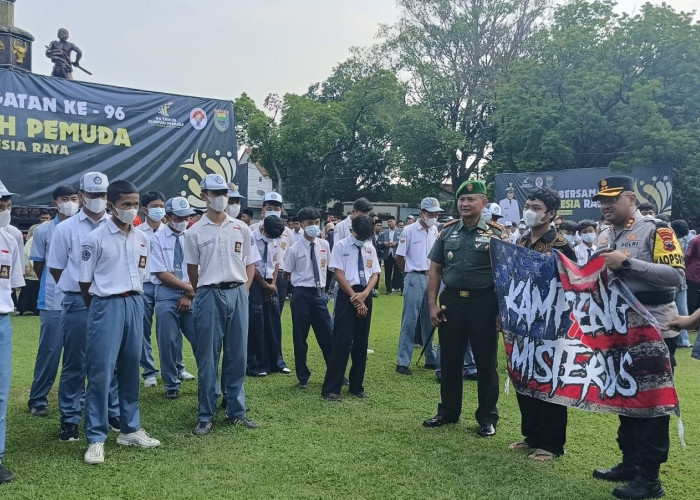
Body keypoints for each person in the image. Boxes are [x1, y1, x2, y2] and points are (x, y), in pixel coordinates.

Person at [591, 176, 684, 499]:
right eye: (601, 200)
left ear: (631, 198)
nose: (605, 205)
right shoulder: (604, 234)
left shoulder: (657, 230)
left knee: (651, 404)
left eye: (611, 199)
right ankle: (629, 462)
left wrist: (627, 263)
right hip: (618, 327)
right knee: (626, 396)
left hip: (654, 327)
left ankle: (650, 478)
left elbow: (676, 277)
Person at [79, 180, 161, 465]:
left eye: (135, 204)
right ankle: (96, 437)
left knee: (130, 368)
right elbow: (84, 281)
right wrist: (101, 309)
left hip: (135, 303)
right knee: (101, 373)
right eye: (126, 205)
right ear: (111, 206)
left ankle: (130, 428)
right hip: (106, 304)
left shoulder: (142, 238)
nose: (132, 209)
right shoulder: (95, 238)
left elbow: (143, 275)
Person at [422, 180, 501, 438]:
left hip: (484, 303)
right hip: (452, 302)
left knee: (485, 361)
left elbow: (505, 275)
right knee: (450, 359)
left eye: (471, 199)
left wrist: (502, 312)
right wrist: (432, 305)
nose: (465, 204)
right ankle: (448, 411)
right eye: (461, 200)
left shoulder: (496, 234)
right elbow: (435, 270)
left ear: (483, 203)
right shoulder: (447, 232)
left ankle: (487, 417)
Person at [47, 172, 120, 443]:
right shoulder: (65, 229)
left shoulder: (117, 226)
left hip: (109, 300)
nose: (98, 200)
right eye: (92, 195)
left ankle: (111, 412)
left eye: (102, 195)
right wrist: (77, 289)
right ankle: (69, 419)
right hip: (78, 301)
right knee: (75, 363)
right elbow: (56, 268)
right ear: (81, 195)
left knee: (108, 361)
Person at [185, 174, 260, 436]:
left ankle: (236, 411)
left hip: (237, 292)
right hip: (209, 294)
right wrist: (202, 288)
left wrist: (245, 289)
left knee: (237, 354)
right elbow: (192, 270)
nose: (220, 198)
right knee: (208, 356)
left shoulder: (241, 228)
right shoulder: (194, 231)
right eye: (215, 192)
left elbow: (250, 262)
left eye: (224, 193)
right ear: (204, 195)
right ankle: (205, 415)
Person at [509, 187, 577, 460]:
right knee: (525, 378)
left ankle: (551, 444)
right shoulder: (523, 240)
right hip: (523, 321)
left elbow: (568, 285)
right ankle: (532, 435)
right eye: (527, 205)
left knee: (549, 382)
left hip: (550, 323)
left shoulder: (561, 245)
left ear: (550, 214)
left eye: (535, 207)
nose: (529, 211)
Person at [27, 184, 80, 417]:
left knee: (78, 352)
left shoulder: (86, 227)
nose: (70, 202)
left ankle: (78, 397)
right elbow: (39, 263)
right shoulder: (44, 230)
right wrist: (52, 283)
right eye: (65, 198)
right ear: (54, 202)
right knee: (49, 351)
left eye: (74, 198)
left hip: (81, 299)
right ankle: (38, 399)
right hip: (52, 299)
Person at [322, 215, 380, 401]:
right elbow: (338, 274)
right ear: (351, 230)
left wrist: (364, 295)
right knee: (342, 341)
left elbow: (375, 275)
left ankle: (357, 386)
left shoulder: (369, 247)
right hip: (347, 295)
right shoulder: (340, 246)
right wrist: (356, 298)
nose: (362, 240)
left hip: (365, 294)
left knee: (361, 342)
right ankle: (332, 388)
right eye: (360, 235)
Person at [150, 197, 198, 399]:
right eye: (179, 217)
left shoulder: (194, 235)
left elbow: (202, 266)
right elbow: (161, 272)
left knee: (201, 339)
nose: (184, 220)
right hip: (167, 293)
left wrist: (189, 294)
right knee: (167, 341)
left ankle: (208, 378)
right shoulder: (157, 238)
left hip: (194, 293)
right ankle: (171, 383)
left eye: (187, 216)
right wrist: (187, 289)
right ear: (168, 217)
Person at [283, 207, 334, 389]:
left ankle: (335, 372)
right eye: (310, 223)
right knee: (300, 336)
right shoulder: (293, 249)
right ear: (302, 224)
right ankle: (303, 376)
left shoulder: (324, 245)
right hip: (301, 294)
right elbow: (286, 274)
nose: (314, 226)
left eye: (316, 222)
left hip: (319, 294)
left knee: (328, 335)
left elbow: (327, 269)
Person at [394, 197, 441, 375]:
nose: (434, 216)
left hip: (431, 277)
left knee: (431, 318)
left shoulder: (435, 229)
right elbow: (399, 257)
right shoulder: (409, 230)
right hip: (415, 276)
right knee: (410, 320)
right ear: (421, 212)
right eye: (430, 213)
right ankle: (403, 361)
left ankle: (430, 357)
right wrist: (408, 272)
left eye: (436, 213)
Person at [0, 180, 25, 484]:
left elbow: (15, 283)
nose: (4, 207)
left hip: (2, 321)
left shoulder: (10, 237)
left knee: (0, 393)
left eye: (6, 201)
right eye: (0, 202)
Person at [248, 215, 288, 376]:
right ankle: (256, 364)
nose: (273, 240)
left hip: (271, 282)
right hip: (254, 281)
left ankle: (277, 362)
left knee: (274, 321)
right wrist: (264, 285)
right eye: (270, 236)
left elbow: (276, 261)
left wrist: (272, 285)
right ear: (263, 229)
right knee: (256, 323)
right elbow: (250, 264)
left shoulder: (276, 237)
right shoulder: (251, 237)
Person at [137, 191, 166, 388]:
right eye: (155, 206)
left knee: (169, 329)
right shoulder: (137, 232)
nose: (159, 210)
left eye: (162, 205)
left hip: (167, 285)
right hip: (145, 285)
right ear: (145, 209)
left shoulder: (170, 230)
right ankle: (149, 372)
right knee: (143, 329)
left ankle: (177, 367)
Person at [671, 219, 691, 348]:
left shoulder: (685, 240)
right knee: (671, 310)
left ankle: (683, 340)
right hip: (667, 281)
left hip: (681, 281)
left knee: (683, 310)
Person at [378, 216, 403, 294]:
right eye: (388, 222)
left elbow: (404, 241)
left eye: (391, 221)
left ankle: (400, 288)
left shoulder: (401, 231)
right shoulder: (384, 233)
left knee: (399, 271)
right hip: (387, 254)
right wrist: (384, 243)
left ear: (395, 222)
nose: (390, 223)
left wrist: (396, 243)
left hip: (397, 254)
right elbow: (379, 242)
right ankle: (388, 289)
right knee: (387, 272)